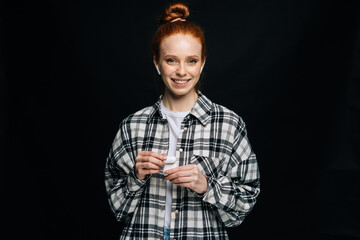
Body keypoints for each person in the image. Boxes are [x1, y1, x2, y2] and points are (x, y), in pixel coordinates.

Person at [104, 2, 260, 239]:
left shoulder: (228, 124)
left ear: (203, 62)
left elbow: (243, 205)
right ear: (157, 62)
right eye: (171, 60)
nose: (181, 71)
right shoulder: (132, 126)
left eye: (191, 60)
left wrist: (206, 185)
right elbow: (119, 210)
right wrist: (136, 177)